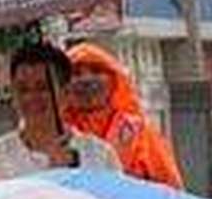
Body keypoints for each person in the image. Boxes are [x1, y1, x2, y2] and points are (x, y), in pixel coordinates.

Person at [0, 41, 121, 182]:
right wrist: (54, 176)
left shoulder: (100, 155)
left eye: (43, 88)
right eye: (23, 89)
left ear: (65, 93)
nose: (32, 98)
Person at [61, 42, 187, 190]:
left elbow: (172, 190)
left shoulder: (140, 133)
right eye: (76, 73)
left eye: (96, 71)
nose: (87, 80)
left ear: (114, 80)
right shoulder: (56, 131)